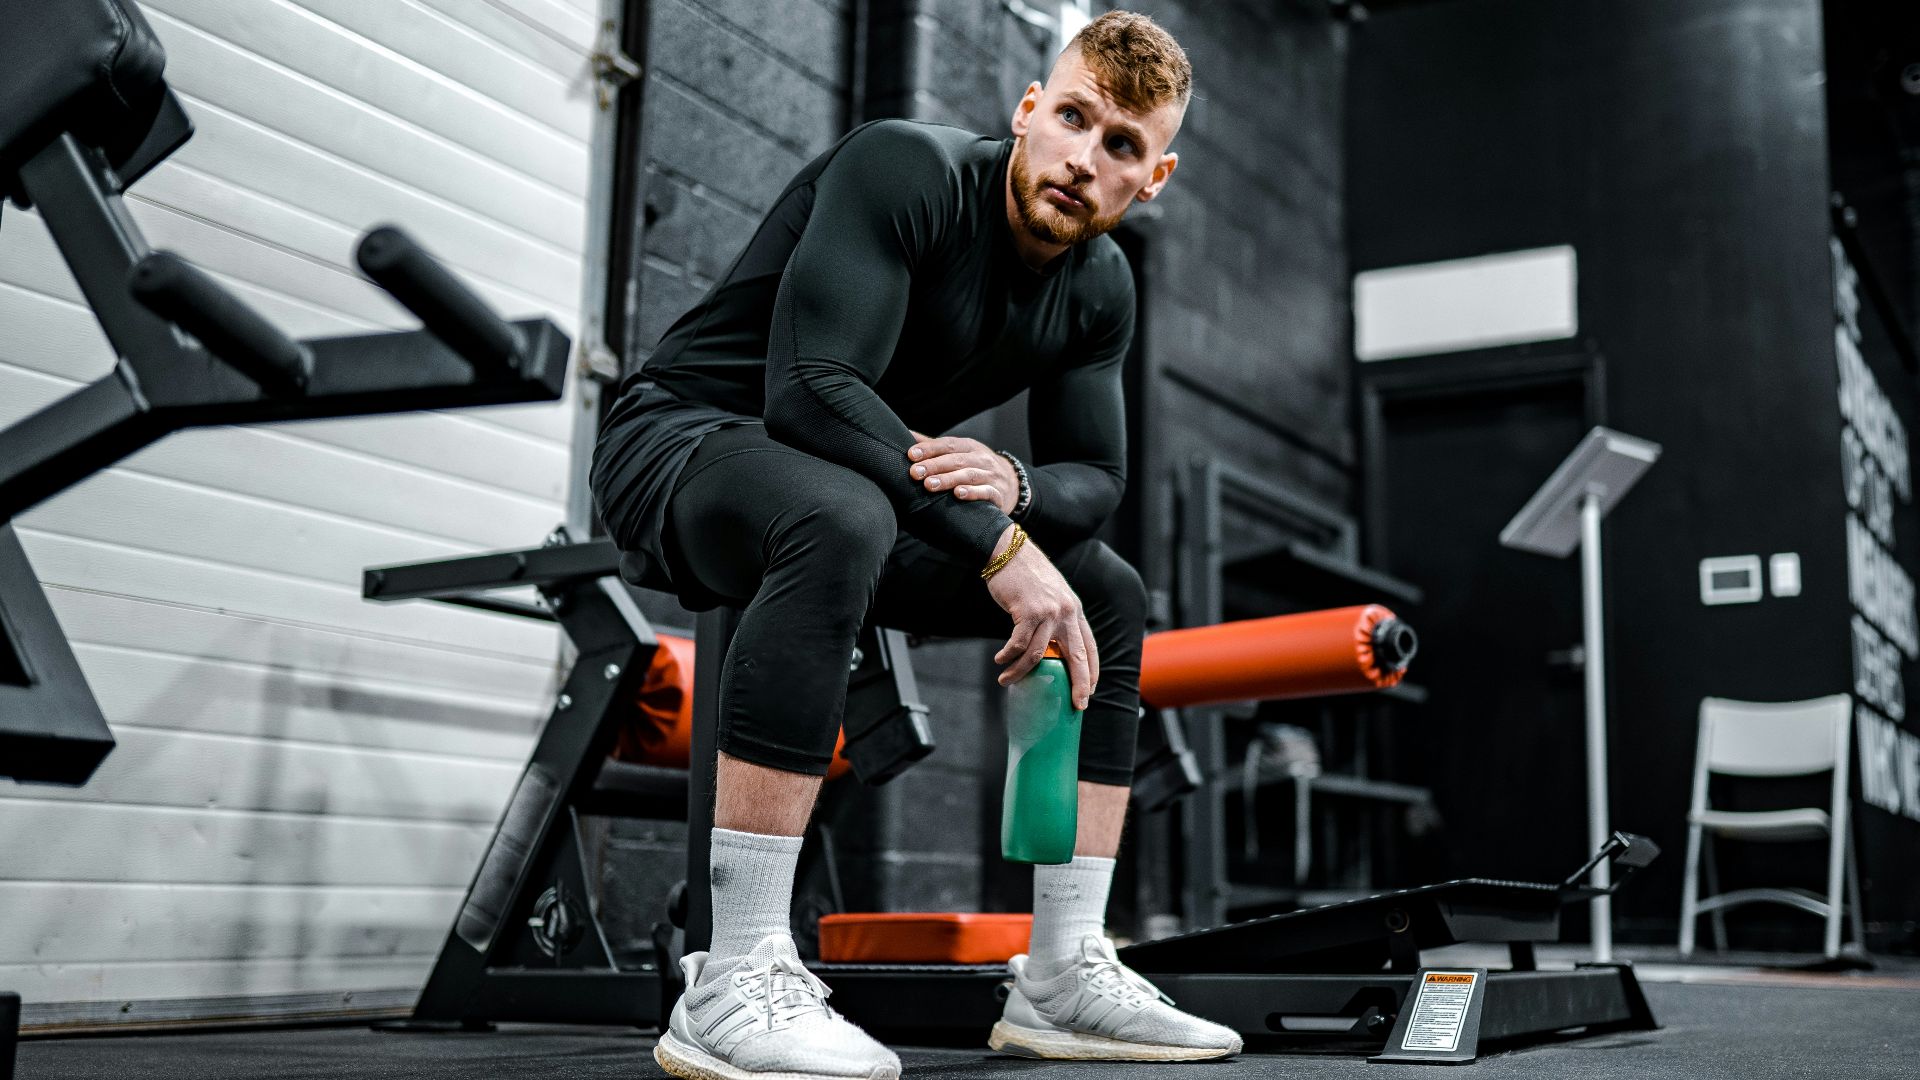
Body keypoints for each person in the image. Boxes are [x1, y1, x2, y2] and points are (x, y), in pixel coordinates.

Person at [592, 11, 1239, 1079]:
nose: (1085, 158)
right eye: (1073, 118)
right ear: (1029, 112)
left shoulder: (1100, 285)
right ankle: (733, 973)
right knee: (835, 516)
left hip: (865, 491)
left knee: (1107, 590)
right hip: (688, 441)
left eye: (1122, 144)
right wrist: (996, 545)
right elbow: (808, 392)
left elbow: (1099, 480)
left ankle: (1067, 968)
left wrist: (1017, 485)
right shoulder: (906, 171)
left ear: (1153, 176)